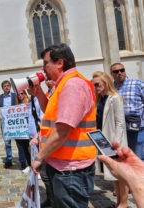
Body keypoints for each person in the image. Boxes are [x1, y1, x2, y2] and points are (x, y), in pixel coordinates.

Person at [30, 43, 97, 208]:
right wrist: (39, 93)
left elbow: (62, 130)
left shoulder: (72, 85)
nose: (43, 67)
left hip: (71, 168)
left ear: (59, 63)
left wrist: (39, 157)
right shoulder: (63, 84)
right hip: (63, 164)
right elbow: (51, 113)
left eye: (46, 63)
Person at [92, 71, 128, 208]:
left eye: (97, 84)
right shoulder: (99, 99)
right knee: (112, 173)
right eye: (93, 85)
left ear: (106, 83)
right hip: (103, 140)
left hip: (114, 141)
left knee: (120, 174)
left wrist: (116, 143)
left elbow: (120, 123)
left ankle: (123, 204)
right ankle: (118, 202)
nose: (95, 87)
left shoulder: (115, 98)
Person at [110, 63, 144, 161]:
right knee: (121, 157)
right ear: (111, 73)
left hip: (136, 129)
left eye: (122, 70)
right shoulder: (111, 88)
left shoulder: (138, 84)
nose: (120, 73)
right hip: (118, 129)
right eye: (116, 71)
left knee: (138, 158)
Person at [98, 142, 144, 207]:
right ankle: (119, 202)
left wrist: (137, 184)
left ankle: (123, 203)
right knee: (114, 175)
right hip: (110, 143)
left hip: (118, 143)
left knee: (121, 176)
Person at [0, 80, 25, 169]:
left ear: (10, 87)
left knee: (19, 143)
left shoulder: (14, 95)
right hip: (5, 123)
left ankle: (23, 161)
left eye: (8, 85)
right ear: (2, 88)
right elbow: (0, 108)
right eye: (5, 86)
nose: (6, 87)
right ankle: (9, 159)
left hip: (14, 123)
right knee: (7, 143)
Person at [15, 90, 31, 173]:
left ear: (25, 94)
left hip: (29, 130)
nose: (20, 95)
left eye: (22, 93)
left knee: (31, 149)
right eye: (19, 94)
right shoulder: (17, 106)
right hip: (21, 131)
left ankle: (37, 167)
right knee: (24, 148)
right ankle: (29, 165)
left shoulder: (29, 103)